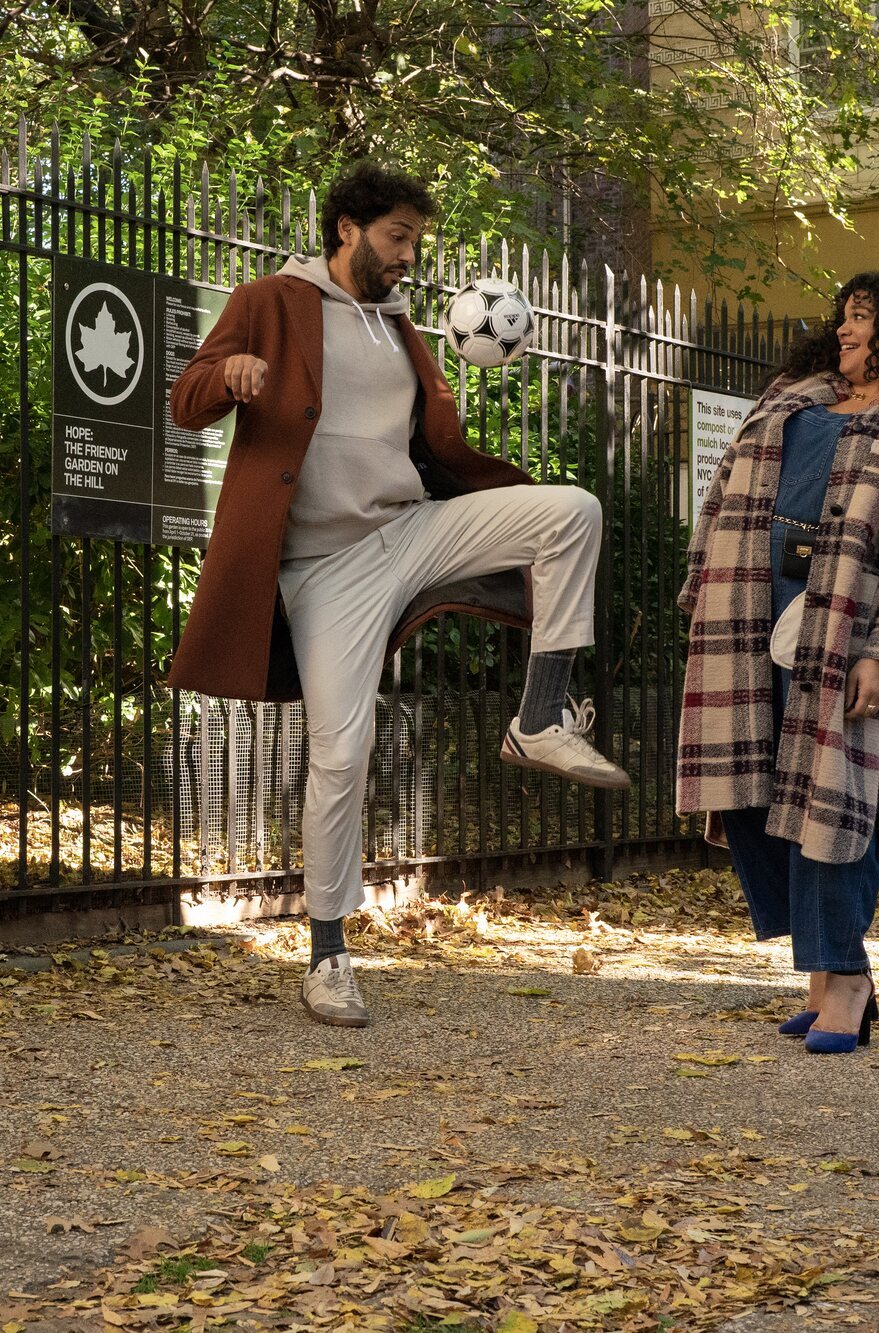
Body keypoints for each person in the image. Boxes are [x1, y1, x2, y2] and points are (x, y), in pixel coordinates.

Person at [168, 162, 630, 1029]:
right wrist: (230, 376)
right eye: (398, 236)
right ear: (347, 228)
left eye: (416, 239)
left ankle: (539, 718)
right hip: (326, 567)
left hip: (412, 529)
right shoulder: (270, 300)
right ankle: (328, 955)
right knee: (342, 753)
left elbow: (429, 443)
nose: (410, 254)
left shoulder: (401, 327)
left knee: (571, 510)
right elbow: (185, 398)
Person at [676, 267, 879, 1054]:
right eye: (844, 315)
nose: (845, 329)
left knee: (829, 800)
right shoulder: (796, 394)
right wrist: (699, 583)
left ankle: (847, 978)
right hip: (747, 610)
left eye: (863, 317)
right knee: (752, 793)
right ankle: (822, 976)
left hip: (846, 622)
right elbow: (721, 489)